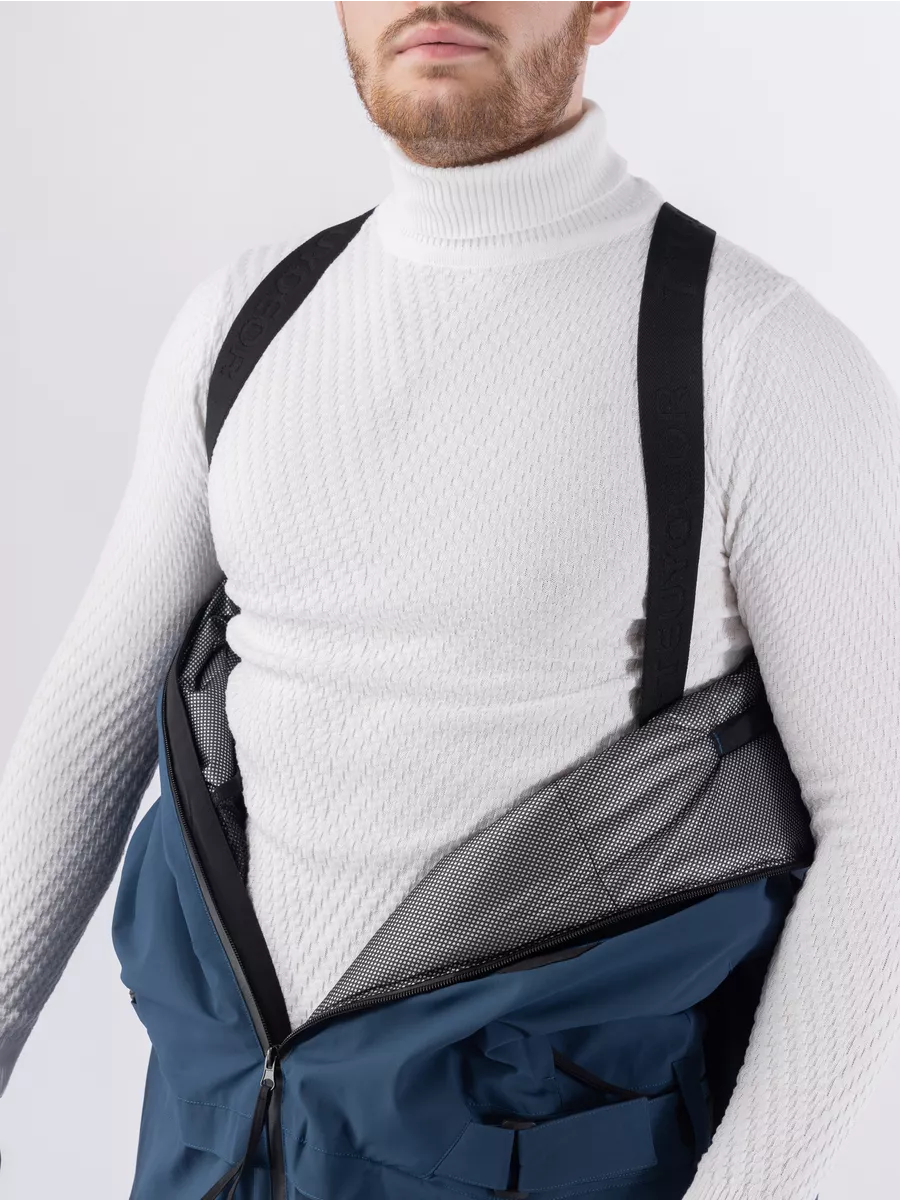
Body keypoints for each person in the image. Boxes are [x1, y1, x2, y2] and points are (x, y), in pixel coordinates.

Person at [1, 2, 898, 1198]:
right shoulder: (246, 323)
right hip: (216, 1151)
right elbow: (94, 713)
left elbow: (881, 824)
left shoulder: (752, 353)